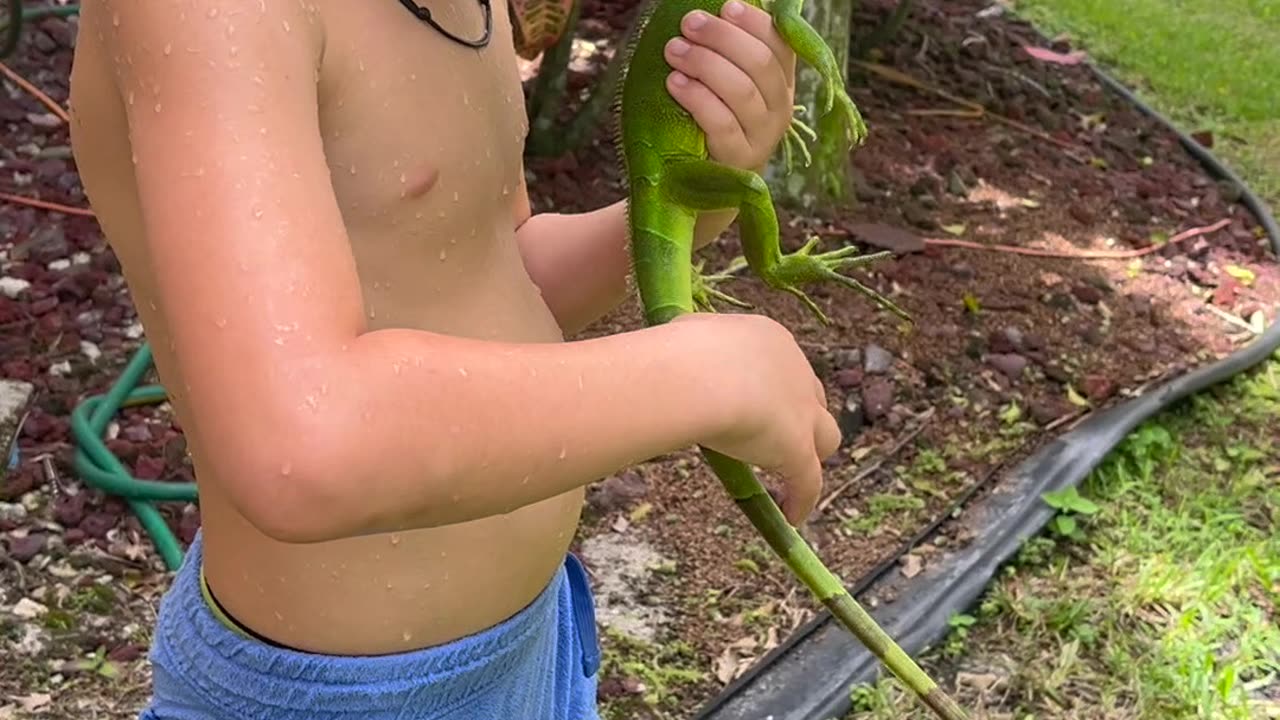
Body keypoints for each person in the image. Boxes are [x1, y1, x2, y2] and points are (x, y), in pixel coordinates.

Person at [67, 0, 841, 717]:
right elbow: (303, 444)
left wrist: (692, 202)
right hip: (346, 697)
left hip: (537, 641)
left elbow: (487, 275)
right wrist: (698, 376)